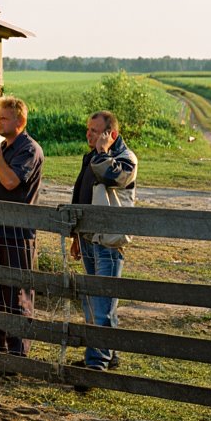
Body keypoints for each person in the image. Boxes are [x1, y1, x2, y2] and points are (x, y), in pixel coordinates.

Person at [70, 110, 138, 373]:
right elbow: (81, 195)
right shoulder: (91, 157)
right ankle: (108, 355)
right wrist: (76, 234)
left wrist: (102, 151)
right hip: (89, 238)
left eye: (96, 131)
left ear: (112, 135)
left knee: (102, 305)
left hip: (108, 242)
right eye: (88, 130)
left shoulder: (124, 159)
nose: (89, 135)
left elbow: (111, 177)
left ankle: (96, 364)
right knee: (93, 302)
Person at [0, 97, 44, 356]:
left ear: (20, 121)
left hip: (16, 232)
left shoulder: (28, 149)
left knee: (16, 292)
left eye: (4, 118)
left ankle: (17, 354)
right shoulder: (4, 148)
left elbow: (10, 182)